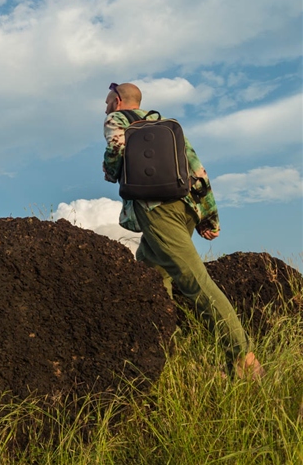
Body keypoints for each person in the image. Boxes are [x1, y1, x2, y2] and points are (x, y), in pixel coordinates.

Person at [102, 82, 264, 379]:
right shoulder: (168, 126)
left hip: (156, 210)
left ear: (118, 100)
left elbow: (115, 149)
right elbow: (198, 170)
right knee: (151, 279)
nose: (105, 107)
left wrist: (110, 170)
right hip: (186, 207)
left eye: (107, 101)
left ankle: (244, 360)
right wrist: (209, 216)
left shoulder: (119, 120)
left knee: (193, 280)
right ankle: (167, 361)